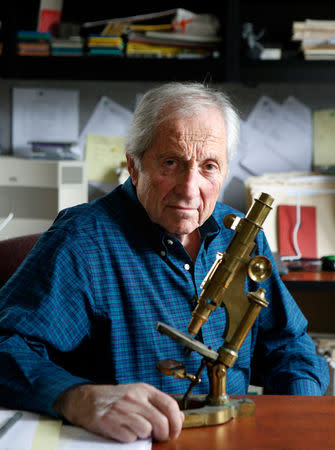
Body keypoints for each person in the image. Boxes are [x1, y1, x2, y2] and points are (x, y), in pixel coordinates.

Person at [0, 82, 329, 443]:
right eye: (171, 163)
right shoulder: (82, 243)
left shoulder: (242, 238)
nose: (190, 188)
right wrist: (77, 398)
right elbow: (6, 347)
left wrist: (298, 419)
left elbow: (289, 346)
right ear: (134, 165)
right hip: (129, 442)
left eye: (209, 167)